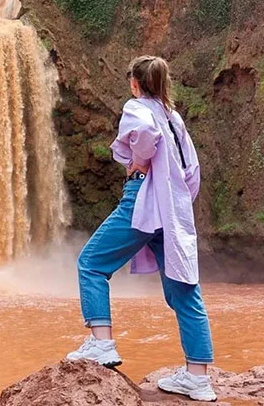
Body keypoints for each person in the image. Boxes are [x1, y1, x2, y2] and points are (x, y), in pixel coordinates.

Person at [66, 55, 216, 402]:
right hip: (175, 207)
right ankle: (198, 377)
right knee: (184, 291)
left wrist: (139, 162)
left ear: (136, 83)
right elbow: (192, 171)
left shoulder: (137, 108)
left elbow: (145, 137)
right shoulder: (175, 119)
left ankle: (101, 344)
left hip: (143, 197)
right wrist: (174, 198)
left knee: (91, 263)